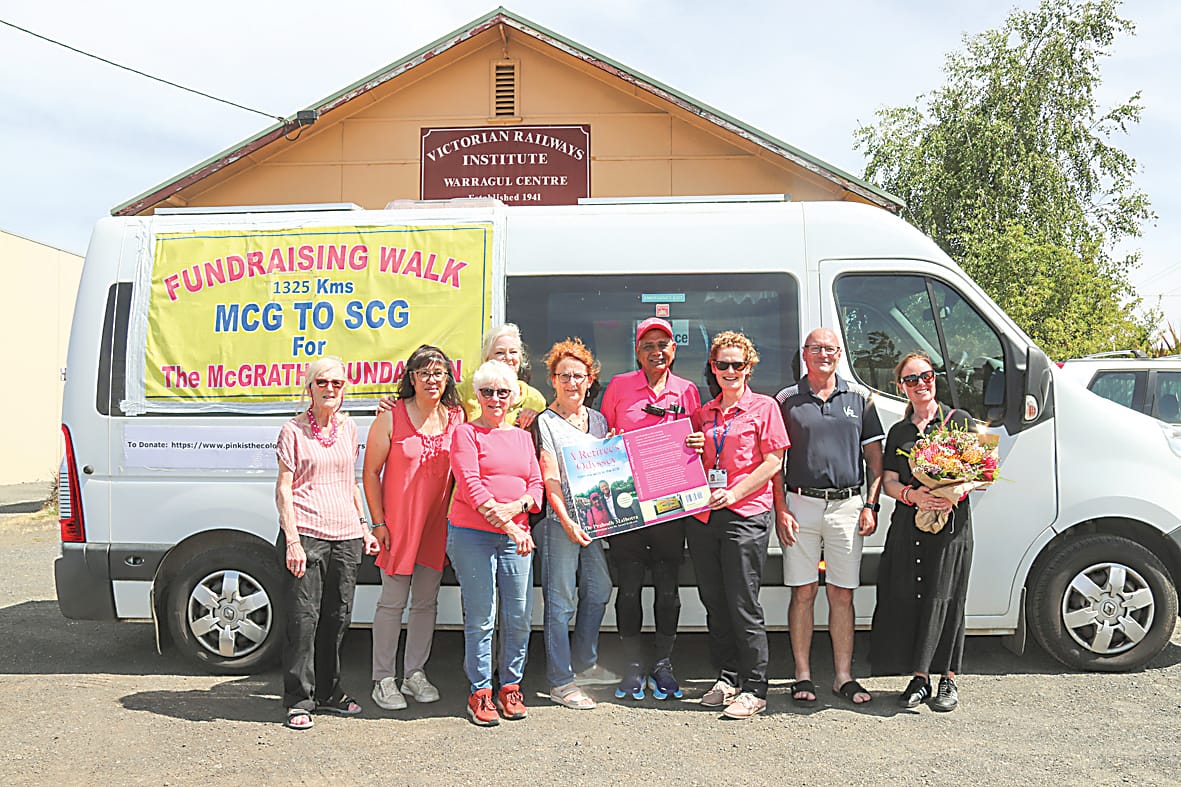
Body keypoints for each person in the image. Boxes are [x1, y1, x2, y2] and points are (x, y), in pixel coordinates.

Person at [773, 327, 884, 706]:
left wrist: (871, 504)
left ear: (840, 354)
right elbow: (775, 462)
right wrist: (781, 508)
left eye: (831, 349)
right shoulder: (787, 399)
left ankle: (842, 677)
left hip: (847, 506)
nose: (825, 354)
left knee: (842, 593)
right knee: (802, 591)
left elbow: (874, 459)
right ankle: (802, 675)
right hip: (800, 504)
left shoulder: (859, 398)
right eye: (817, 348)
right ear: (804, 354)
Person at [599, 317, 702, 700]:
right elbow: (603, 437)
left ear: (673, 350)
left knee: (667, 589)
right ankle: (631, 663)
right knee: (627, 589)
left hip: (670, 504)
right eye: (648, 346)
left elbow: (698, 440)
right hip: (627, 503)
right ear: (637, 351)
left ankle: (662, 662)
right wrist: (610, 441)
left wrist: (695, 442)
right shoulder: (620, 386)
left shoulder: (687, 391)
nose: (656, 352)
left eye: (663, 345)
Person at [688, 331, 789, 719]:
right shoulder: (703, 412)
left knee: (743, 602)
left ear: (749, 367)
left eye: (738, 364)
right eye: (722, 364)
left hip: (745, 515)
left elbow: (773, 462)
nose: (730, 371)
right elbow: (691, 465)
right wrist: (690, 448)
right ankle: (727, 677)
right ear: (712, 368)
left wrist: (733, 493)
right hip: (704, 516)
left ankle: (755, 687)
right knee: (714, 601)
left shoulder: (764, 408)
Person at [275, 357, 379, 730]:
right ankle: (299, 700)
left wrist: (365, 527)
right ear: (310, 387)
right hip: (306, 534)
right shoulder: (293, 431)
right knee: (303, 621)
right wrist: (292, 541)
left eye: (337, 383)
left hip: (346, 535)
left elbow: (350, 481)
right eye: (323, 382)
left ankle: (329, 692)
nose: (330, 389)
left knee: (337, 619)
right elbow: (284, 489)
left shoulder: (349, 428)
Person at [362, 345, 465, 711]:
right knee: (391, 602)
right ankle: (382, 678)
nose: (431, 380)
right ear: (411, 378)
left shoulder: (457, 418)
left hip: (436, 525)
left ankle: (414, 673)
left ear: (448, 378)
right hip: (399, 525)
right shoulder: (391, 417)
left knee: (425, 603)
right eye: (424, 373)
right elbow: (370, 473)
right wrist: (377, 523)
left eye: (438, 373)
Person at [871, 352, 976, 713]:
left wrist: (949, 494)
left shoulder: (957, 421)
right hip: (908, 524)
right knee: (911, 596)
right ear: (901, 387)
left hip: (950, 525)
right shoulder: (899, 431)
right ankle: (919, 677)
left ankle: (947, 678)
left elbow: (978, 473)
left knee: (945, 597)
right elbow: (887, 479)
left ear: (935, 378)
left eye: (926, 376)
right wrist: (912, 495)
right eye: (912, 379)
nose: (921, 384)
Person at [448, 360, 544, 727]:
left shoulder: (522, 437)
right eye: (487, 391)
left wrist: (517, 509)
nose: (495, 398)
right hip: (474, 534)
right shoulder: (466, 434)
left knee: (519, 616)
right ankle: (481, 691)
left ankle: (511, 686)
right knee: (482, 617)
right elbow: (471, 488)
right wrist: (513, 527)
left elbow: (535, 486)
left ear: (513, 395)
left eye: (502, 392)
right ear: (477, 395)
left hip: (514, 536)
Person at [532, 338, 618, 710]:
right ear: (552, 380)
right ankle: (561, 681)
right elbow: (550, 477)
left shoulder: (596, 419)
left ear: (590, 380)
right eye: (564, 375)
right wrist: (565, 520)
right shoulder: (544, 422)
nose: (571, 383)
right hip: (558, 521)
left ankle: (584, 662)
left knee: (599, 589)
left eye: (578, 376)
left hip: (594, 522)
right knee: (560, 602)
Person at [456, 323, 547, 427]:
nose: (508, 357)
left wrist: (535, 419)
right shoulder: (467, 389)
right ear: (487, 359)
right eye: (500, 352)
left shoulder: (534, 398)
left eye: (513, 352)